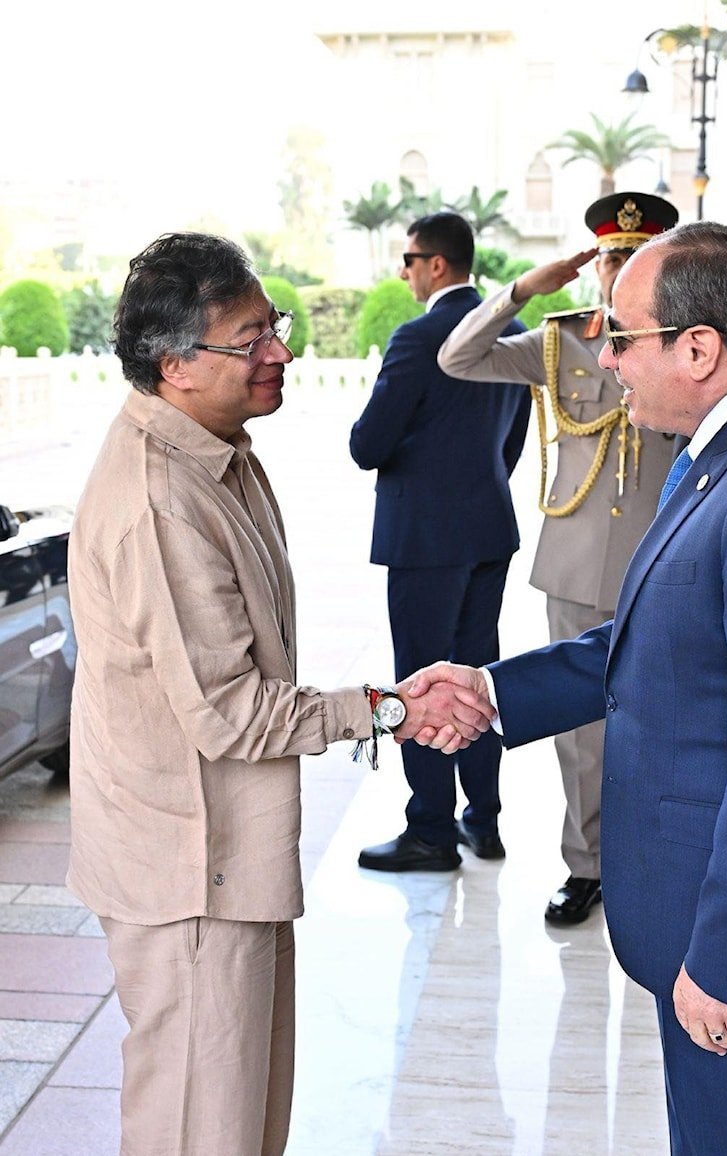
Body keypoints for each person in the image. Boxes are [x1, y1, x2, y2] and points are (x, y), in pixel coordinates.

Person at [409, 222, 727, 1155]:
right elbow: (661, 642)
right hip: (713, 921)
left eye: (621, 337)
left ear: (698, 347)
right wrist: (492, 690)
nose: (604, 357)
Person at [65, 232, 493, 1156]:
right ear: (174, 364)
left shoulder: (217, 449)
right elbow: (232, 711)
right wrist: (390, 708)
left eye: (276, 327)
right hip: (187, 871)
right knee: (199, 1127)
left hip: (227, 855)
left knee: (247, 1120)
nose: (281, 353)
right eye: (249, 339)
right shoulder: (161, 501)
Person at [438, 191, 679, 925]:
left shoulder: (689, 341)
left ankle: (659, 862)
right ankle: (587, 866)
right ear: (593, 265)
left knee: (666, 722)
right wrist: (520, 290)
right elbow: (458, 357)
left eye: (636, 258)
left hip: (662, 563)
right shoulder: (559, 340)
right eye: (611, 257)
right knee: (580, 734)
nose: (618, 270)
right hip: (574, 563)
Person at [350, 211, 531, 873]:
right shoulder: (511, 332)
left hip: (426, 536)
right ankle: (483, 821)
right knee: (480, 679)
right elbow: (510, 443)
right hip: (489, 527)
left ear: (436, 264)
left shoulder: (418, 337)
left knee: (423, 682)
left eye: (408, 258)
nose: (402, 271)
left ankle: (430, 829)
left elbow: (368, 446)